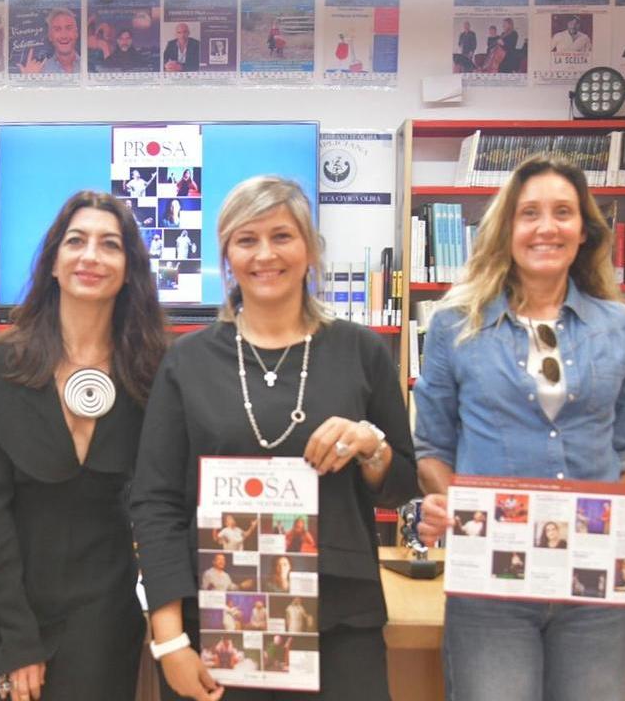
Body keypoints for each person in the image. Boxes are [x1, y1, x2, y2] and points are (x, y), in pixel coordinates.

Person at [413, 153, 625, 701]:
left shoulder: (623, 328)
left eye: (563, 212)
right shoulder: (453, 326)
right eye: (529, 213)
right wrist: (457, 506)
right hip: (495, 581)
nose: (546, 227)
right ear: (506, 228)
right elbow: (433, 449)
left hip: (596, 582)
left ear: (584, 230)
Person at [131, 175, 417, 701]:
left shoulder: (362, 352)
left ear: (309, 249)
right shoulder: (186, 361)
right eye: (247, 239)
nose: (265, 254)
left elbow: (400, 484)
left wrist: (369, 445)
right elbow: (155, 502)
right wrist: (169, 641)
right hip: (219, 627)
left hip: (340, 624)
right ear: (226, 257)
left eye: (282, 236)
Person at [0, 190, 167, 701]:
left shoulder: (156, 372)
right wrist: (19, 639)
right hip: (7, 611)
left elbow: (164, 508)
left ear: (129, 267)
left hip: (103, 620)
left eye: (110, 245)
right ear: (54, 261)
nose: (91, 256)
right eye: (76, 241)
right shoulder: (0, 365)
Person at [18, 7, 80, 74]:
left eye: (69, 28)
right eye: (57, 29)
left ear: (76, 33)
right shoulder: (39, 71)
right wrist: (28, 80)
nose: (64, 36)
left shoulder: (90, 66)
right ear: (50, 36)